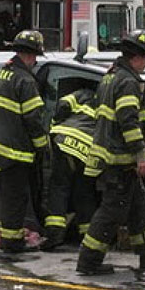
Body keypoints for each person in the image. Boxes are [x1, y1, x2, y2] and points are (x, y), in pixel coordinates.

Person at [76, 30, 145, 276]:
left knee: (138, 207)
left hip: (115, 156)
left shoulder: (112, 76)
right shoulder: (127, 81)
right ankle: (89, 261)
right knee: (111, 212)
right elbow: (128, 121)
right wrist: (140, 154)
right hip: (119, 159)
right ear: (137, 56)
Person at [0, 30, 48, 254]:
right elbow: (33, 119)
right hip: (13, 151)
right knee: (15, 199)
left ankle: (11, 239)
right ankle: (11, 243)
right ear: (31, 55)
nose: (35, 62)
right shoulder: (25, 80)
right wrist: (43, 146)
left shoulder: (4, 72)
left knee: (9, 197)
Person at [40, 86, 99, 251]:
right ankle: (87, 237)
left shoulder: (83, 93)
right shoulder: (107, 102)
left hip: (65, 142)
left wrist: (54, 124)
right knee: (84, 192)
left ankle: (54, 234)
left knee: (59, 187)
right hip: (88, 149)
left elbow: (63, 104)